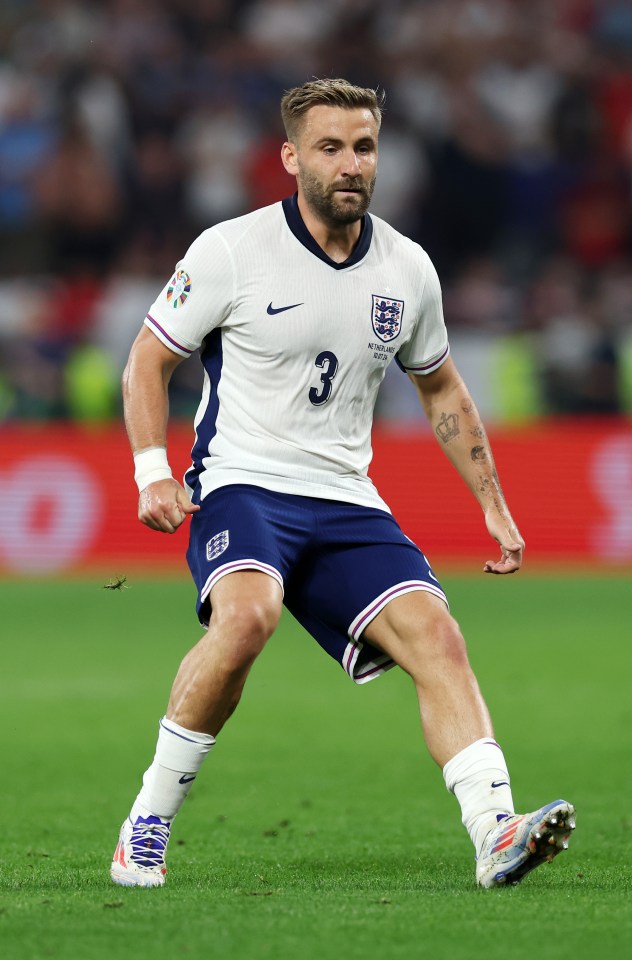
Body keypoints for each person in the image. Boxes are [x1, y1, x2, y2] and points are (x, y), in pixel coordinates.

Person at [111, 78, 575, 889]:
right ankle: (145, 823)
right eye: (330, 147)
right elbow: (148, 359)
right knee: (247, 618)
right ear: (292, 158)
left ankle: (496, 831)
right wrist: (152, 471)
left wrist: (493, 505)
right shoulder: (231, 250)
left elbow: (441, 390)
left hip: (345, 496)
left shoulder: (406, 268)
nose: (350, 163)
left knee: (439, 636)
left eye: (363, 147)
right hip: (242, 483)